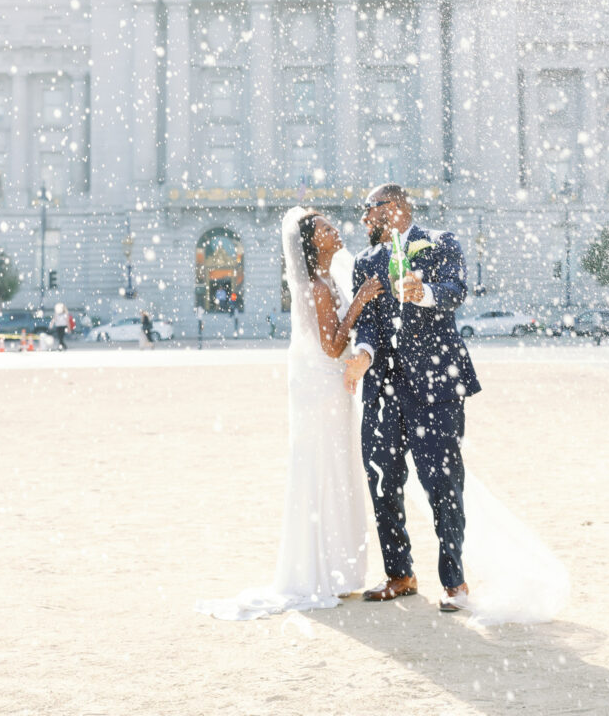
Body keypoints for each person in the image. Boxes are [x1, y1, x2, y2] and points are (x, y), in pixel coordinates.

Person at [195, 205, 383, 619]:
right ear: (312, 243)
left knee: (332, 472)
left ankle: (333, 571)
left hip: (327, 385)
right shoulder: (316, 286)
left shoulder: (324, 280)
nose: (335, 229)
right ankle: (327, 572)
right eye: (325, 228)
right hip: (322, 389)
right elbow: (333, 345)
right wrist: (361, 303)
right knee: (327, 472)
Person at [344, 183, 481, 611]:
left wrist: (426, 293)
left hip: (436, 387)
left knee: (442, 483)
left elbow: (457, 289)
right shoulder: (365, 261)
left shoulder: (442, 242)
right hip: (382, 391)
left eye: (371, 209)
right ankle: (399, 574)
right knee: (382, 481)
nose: (365, 218)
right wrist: (362, 354)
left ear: (396, 207)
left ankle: (455, 583)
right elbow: (366, 321)